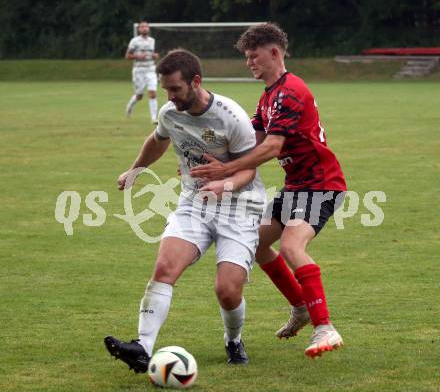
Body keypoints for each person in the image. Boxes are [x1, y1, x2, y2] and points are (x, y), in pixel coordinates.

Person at [190, 23, 347, 359]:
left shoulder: (290, 92)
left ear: (275, 53)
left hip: (320, 184)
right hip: (296, 186)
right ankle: (301, 307)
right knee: (257, 242)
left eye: (254, 56)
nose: (249, 63)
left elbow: (272, 148)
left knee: (291, 245)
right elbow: (250, 143)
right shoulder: (268, 98)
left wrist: (227, 170)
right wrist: (209, 163)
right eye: (247, 57)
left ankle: (325, 327)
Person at [104, 49, 266, 372]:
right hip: (194, 204)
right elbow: (158, 139)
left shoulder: (230, 117)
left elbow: (251, 169)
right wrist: (134, 170)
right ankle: (142, 347)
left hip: (239, 207)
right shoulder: (169, 112)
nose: (170, 97)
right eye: (166, 89)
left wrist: (225, 184)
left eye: (175, 89)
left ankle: (233, 340)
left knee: (227, 289)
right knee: (164, 267)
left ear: (196, 81)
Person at [125, 21, 159, 123]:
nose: (144, 28)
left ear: (148, 29)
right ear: (139, 29)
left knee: (152, 93)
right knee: (139, 96)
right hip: (139, 70)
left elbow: (153, 54)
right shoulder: (134, 41)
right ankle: (130, 106)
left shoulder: (152, 40)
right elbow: (127, 56)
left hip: (151, 70)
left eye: (146, 27)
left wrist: (155, 56)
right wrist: (137, 56)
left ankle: (154, 118)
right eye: (142, 27)